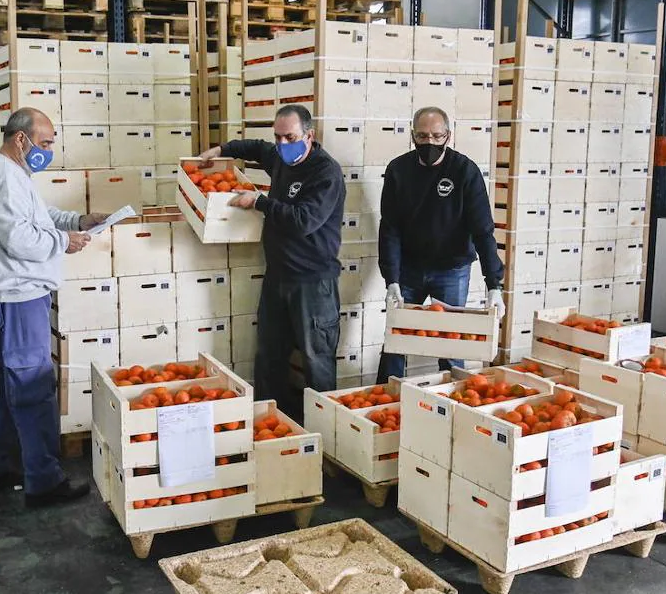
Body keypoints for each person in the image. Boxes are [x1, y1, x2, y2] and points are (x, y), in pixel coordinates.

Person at [0, 107, 108, 507]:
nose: (49, 151)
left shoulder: (10, 174)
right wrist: (65, 242)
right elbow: (20, 240)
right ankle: (44, 481)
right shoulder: (5, 178)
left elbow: (39, 217)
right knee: (32, 387)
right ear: (21, 139)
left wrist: (77, 220)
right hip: (17, 299)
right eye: (45, 143)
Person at [199, 104, 345, 421]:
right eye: (278, 138)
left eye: (289, 137)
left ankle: (330, 439)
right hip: (278, 276)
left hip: (312, 282)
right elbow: (255, 147)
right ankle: (270, 425)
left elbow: (304, 221)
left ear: (309, 135)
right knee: (269, 356)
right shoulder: (280, 156)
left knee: (316, 359)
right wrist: (222, 149)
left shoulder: (325, 173)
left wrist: (260, 202)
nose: (281, 145)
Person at [376, 106, 506, 381]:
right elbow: (390, 229)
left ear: (448, 135)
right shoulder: (398, 170)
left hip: (451, 269)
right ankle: (385, 399)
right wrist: (392, 279)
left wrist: (494, 284)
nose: (430, 143)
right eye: (423, 137)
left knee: (450, 343)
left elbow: (483, 230)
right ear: (413, 136)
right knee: (396, 339)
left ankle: (453, 404)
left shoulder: (464, 171)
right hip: (409, 269)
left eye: (437, 136)